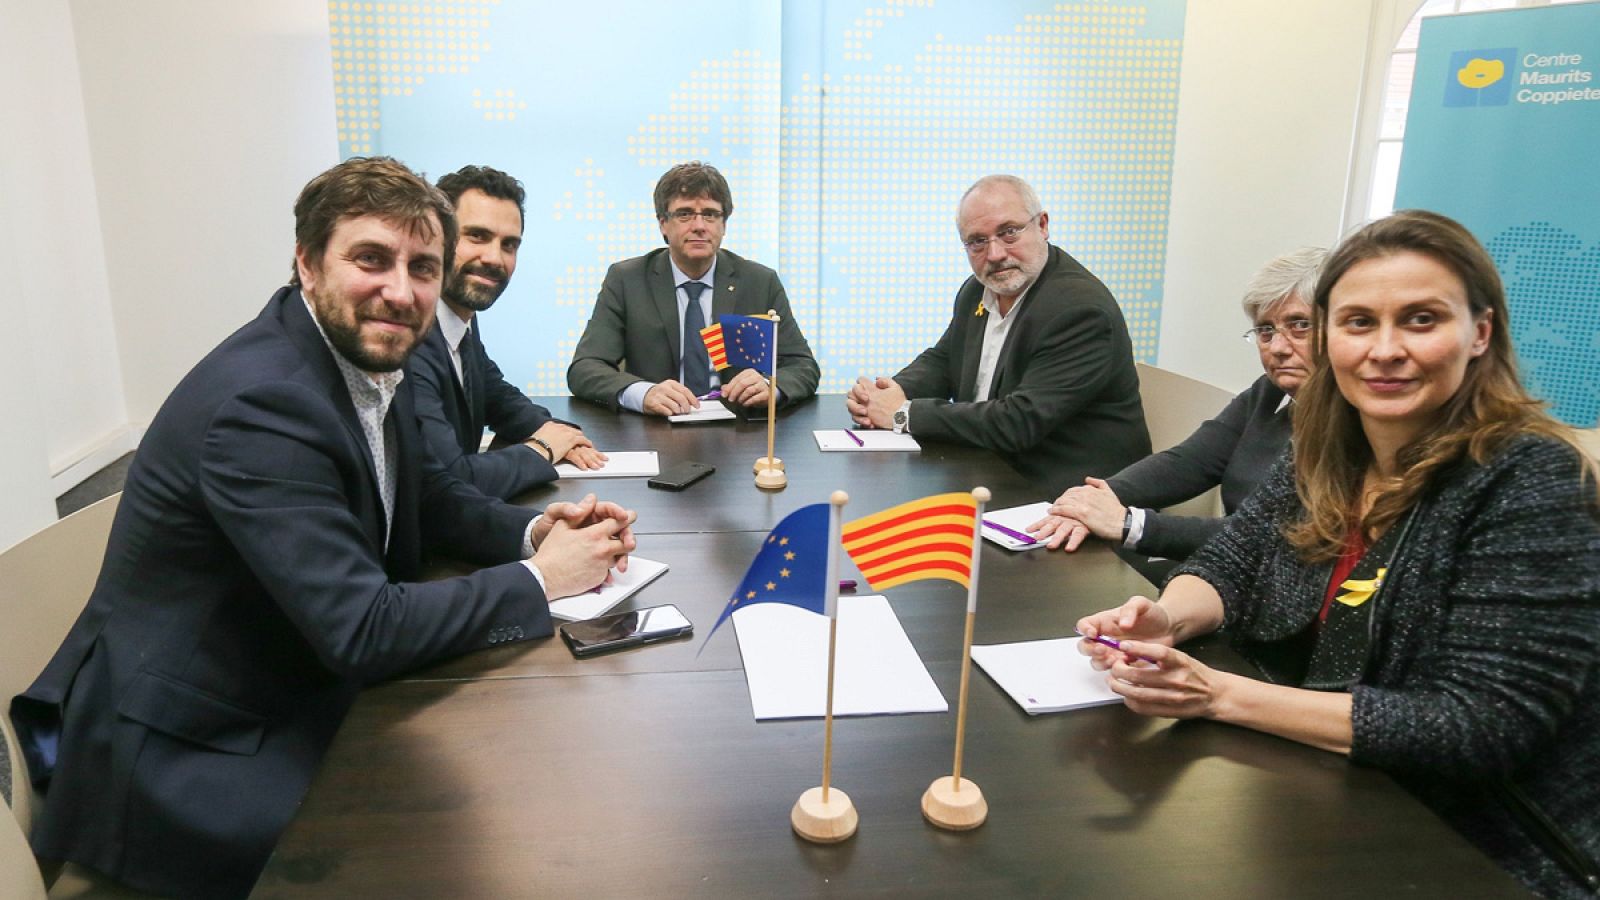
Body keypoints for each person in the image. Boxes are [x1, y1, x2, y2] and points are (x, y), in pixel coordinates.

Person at [8, 157, 638, 899]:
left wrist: (535, 535)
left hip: (282, 673)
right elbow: (362, 629)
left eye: (422, 267)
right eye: (372, 259)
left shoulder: (371, 351)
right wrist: (544, 580)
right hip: (189, 750)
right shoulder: (264, 403)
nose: (401, 291)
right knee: (457, 843)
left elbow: (434, 498)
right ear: (306, 263)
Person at [1075, 210, 1600, 898]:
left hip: (1474, 843)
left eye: (1419, 319)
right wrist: (1165, 622)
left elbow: (1480, 727)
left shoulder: (1529, 478)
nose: (1384, 348)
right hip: (1329, 791)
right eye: (1358, 323)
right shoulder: (1327, 447)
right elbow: (1232, 562)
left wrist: (1219, 695)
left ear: (1480, 333)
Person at [846, 174, 1151, 488]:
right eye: (978, 241)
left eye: (1009, 233)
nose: (994, 254)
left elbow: (1018, 422)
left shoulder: (1080, 311)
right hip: (991, 469)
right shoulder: (978, 289)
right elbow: (945, 359)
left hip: (1071, 495)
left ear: (1043, 226)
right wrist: (887, 393)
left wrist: (902, 414)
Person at [1031, 248, 1327, 559]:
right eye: (1266, 331)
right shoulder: (1269, 392)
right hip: (1223, 573)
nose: (1278, 347)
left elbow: (1272, 539)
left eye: (1300, 326)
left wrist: (1131, 524)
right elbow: (1191, 461)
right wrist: (1091, 501)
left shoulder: (1358, 425)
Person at [409, 164, 605, 500]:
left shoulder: (460, 318)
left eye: (509, 245)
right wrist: (543, 447)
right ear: (437, 237)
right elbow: (452, 480)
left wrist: (554, 431)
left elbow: (494, 393)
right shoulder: (408, 334)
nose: (494, 258)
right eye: (477, 236)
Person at [566, 161, 820, 416]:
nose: (699, 225)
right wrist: (643, 393)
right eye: (685, 214)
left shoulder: (759, 281)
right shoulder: (627, 280)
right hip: (657, 427)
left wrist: (769, 386)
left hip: (739, 429)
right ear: (663, 223)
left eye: (710, 214)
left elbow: (803, 366)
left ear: (724, 224)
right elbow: (584, 368)